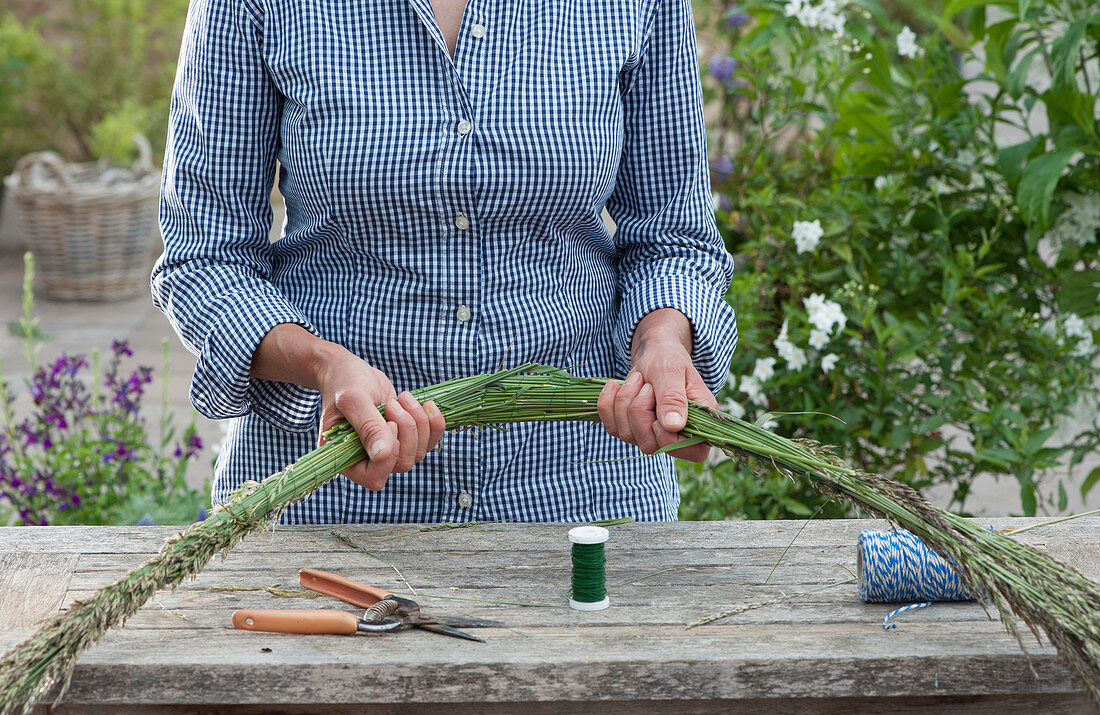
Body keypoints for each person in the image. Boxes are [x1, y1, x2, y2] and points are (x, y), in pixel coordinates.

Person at [153, 0, 737, 524]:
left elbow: (673, 237)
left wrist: (662, 343)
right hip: (331, 489)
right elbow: (205, 255)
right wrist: (323, 364)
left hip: (583, 491)